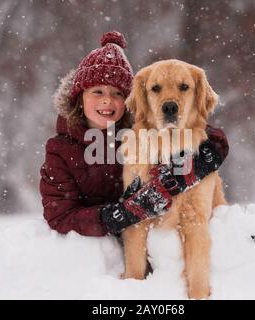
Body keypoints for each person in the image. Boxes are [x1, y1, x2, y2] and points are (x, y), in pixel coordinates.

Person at [39, 31, 229, 237]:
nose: (107, 101)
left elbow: (208, 134)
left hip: (152, 240)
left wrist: (204, 157)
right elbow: (59, 216)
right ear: (79, 98)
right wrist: (117, 215)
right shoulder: (60, 150)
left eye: (117, 93)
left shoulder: (138, 133)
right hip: (95, 254)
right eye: (97, 92)